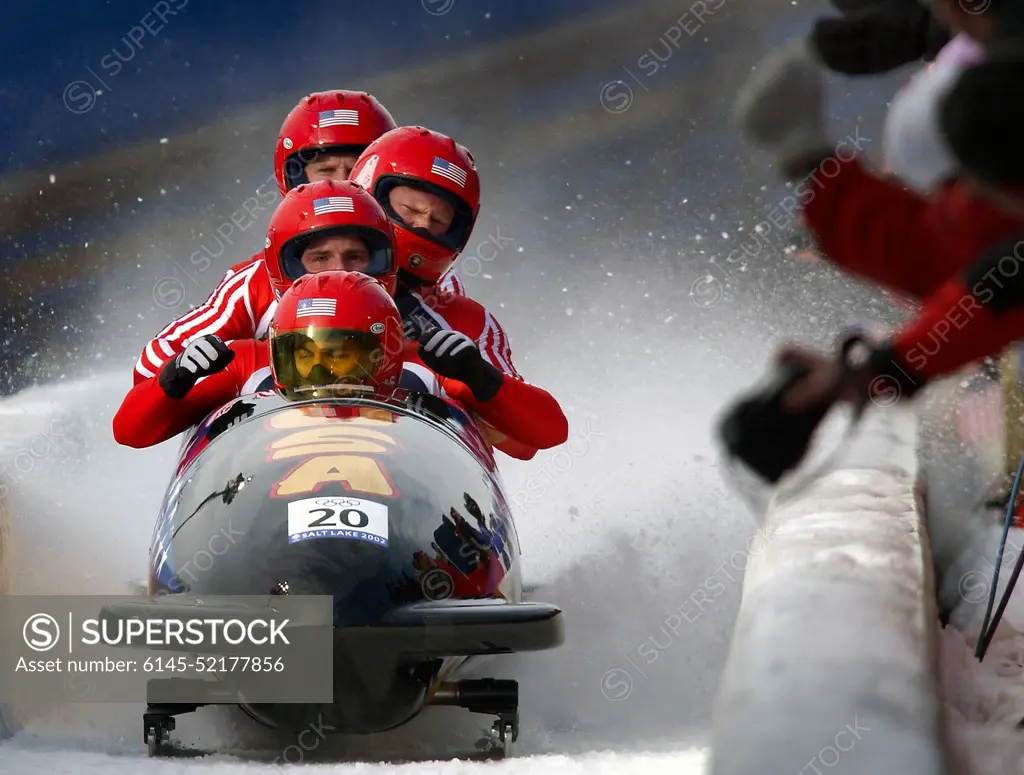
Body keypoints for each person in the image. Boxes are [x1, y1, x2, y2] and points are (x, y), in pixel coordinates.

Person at [133, 91, 466, 383]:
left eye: (356, 171)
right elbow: (152, 368)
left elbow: (487, 390)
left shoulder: (436, 285)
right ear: (293, 176)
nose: (346, 185)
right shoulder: (256, 283)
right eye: (325, 171)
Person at [350, 126, 569, 454]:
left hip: (411, 472)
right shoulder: (263, 282)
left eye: (438, 220)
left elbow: (528, 442)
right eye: (410, 210)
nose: (423, 224)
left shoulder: (455, 311)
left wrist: (476, 376)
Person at [114, 271, 408, 448]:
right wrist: (173, 379)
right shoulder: (246, 364)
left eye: (338, 354)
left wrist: (457, 372)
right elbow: (130, 432)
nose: (317, 369)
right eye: (304, 354)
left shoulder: (423, 367)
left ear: (383, 355)